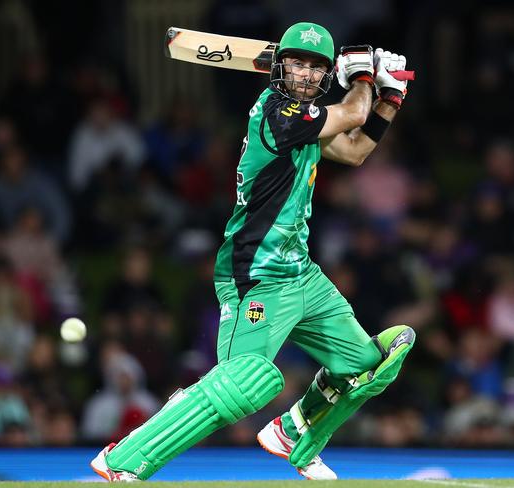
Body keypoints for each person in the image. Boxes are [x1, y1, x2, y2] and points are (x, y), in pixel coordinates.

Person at [90, 22, 416, 482]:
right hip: (256, 274)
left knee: (366, 366)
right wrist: (365, 77)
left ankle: (293, 433)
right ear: (280, 67)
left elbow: (356, 149)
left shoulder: (306, 120)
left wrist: (389, 97)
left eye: (315, 67)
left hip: (301, 271)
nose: (304, 74)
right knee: (247, 380)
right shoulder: (279, 114)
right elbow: (349, 117)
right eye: (297, 64)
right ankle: (125, 456)